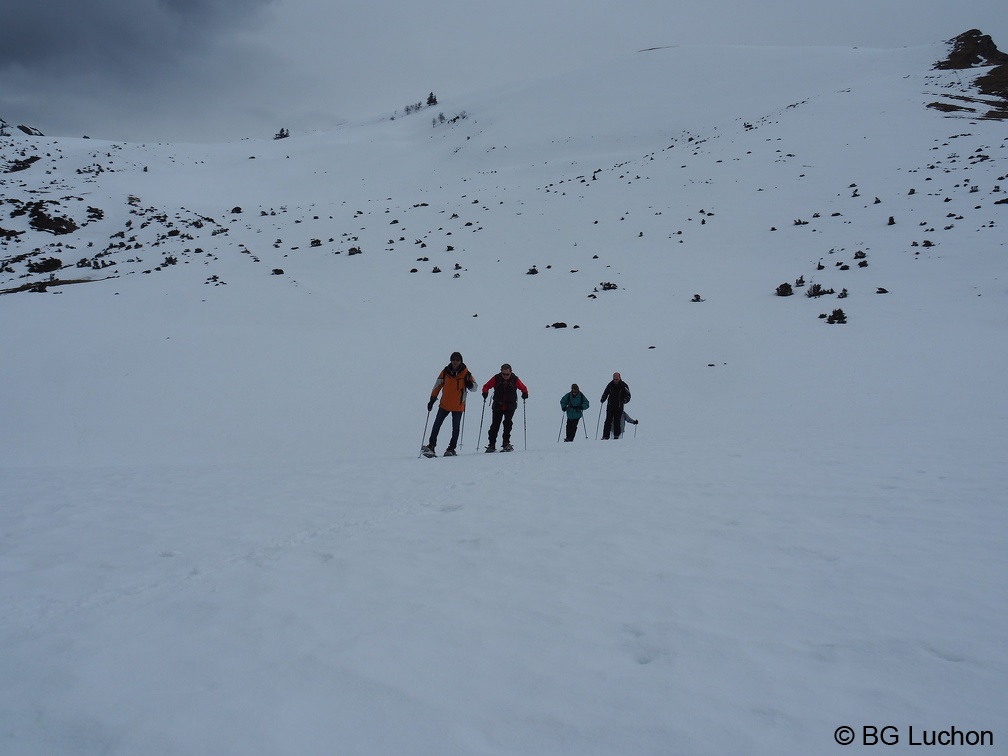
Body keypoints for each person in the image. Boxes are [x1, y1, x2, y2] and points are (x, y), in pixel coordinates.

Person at [422, 352, 476, 457]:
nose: (455, 362)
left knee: (455, 428)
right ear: (451, 360)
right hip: (444, 404)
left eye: (457, 360)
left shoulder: (466, 374)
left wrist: (470, 384)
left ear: (461, 361)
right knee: (436, 425)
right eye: (453, 359)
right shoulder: (445, 372)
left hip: (458, 406)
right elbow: (437, 385)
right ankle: (431, 446)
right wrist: (432, 399)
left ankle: (451, 449)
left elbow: (474, 387)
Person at [482, 363, 528, 452]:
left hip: (510, 406)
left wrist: (525, 394)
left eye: (507, 374)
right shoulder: (497, 378)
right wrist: (485, 392)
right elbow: (486, 386)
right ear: (501, 372)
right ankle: (491, 444)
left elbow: (524, 388)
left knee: (507, 424)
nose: (505, 376)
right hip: (498, 405)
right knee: (495, 425)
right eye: (503, 374)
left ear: (511, 372)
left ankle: (506, 443)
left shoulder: (515, 379)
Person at [600, 372, 631, 440]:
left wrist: (625, 400)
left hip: (619, 407)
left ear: (620, 378)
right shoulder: (610, 385)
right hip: (610, 406)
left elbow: (628, 395)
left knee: (617, 421)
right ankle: (605, 436)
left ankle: (616, 436)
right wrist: (603, 399)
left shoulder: (624, 385)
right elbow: (605, 393)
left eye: (617, 379)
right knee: (608, 421)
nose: (615, 380)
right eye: (614, 379)